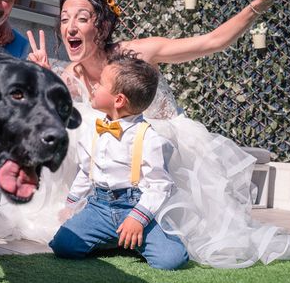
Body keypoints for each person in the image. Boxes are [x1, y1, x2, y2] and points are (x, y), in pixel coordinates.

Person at [0, 0, 290, 268]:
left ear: (101, 27)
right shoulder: (65, 76)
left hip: (162, 158)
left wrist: (259, 4)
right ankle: (104, 226)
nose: (70, 26)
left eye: (81, 18)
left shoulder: (134, 55)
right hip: (103, 178)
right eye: (64, 19)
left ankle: (144, 227)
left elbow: (211, 42)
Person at [50, 53, 189, 270]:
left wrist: (138, 218)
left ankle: (132, 233)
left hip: (134, 205)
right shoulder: (92, 130)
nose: (94, 87)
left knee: (171, 260)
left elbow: (160, 186)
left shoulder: (149, 138)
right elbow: (87, 173)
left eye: (101, 84)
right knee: (63, 246)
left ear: (119, 100)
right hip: (99, 206)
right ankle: (116, 238)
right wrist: (71, 205)